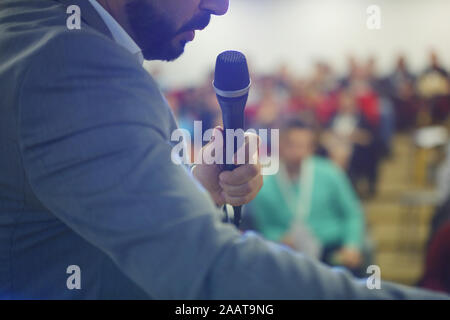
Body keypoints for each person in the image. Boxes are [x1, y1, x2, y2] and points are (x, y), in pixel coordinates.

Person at [0, 0, 447, 299]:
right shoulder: (70, 58)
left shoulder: (34, 31)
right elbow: (208, 271)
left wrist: (195, 191)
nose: (219, 4)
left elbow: (68, 226)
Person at [249, 120, 366, 275]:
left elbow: (352, 213)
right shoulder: (265, 180)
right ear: (280, 146)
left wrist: (351, 245)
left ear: (312, 148)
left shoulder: (330, 173)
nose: (298, 152)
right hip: (286, 253)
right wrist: (278, 238)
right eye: (292, 145)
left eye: (304, 146)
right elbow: (263, 225)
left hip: (330, 250)